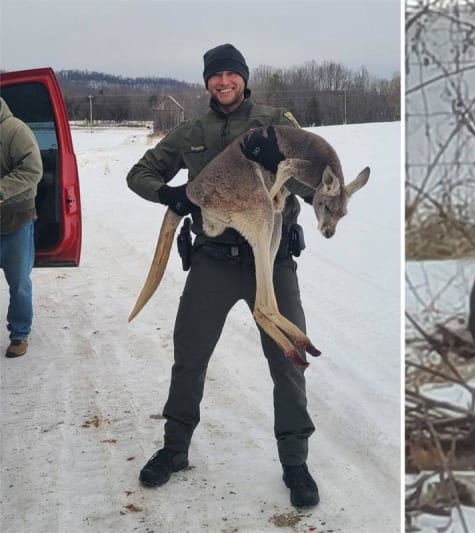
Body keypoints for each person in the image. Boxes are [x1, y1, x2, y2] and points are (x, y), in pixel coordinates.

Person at [126, 43, 320, 508]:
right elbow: (140, 173)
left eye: (231, 75)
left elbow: (313, 190)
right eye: (216, 76)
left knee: (288, 361)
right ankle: (175, 450)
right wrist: (169, 196)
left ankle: (295, 461)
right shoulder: (192, 131)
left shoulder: (277, 122)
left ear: (244, 78)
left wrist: (277, 161)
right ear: (207, 82)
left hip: (271, 262)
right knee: (189, 355)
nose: (224, 82)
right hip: (212, 259)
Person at [0, 97, 43, 359]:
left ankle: (19, 334)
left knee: (19, 283)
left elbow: (32, 170)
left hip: (15, 220)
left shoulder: (15, 130)